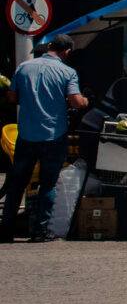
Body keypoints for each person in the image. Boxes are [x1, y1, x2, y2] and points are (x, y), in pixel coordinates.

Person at [0, 35, 89, 243]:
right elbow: (75, 102)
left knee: (17, 184)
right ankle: (39, 232)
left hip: (26, 135)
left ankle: (6, 230)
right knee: (47, 184)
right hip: (53, 135)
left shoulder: (23, 68)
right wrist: (84, 101)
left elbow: (11, 97)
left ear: (50, 46)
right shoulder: (68, 72)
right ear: (67, 51)